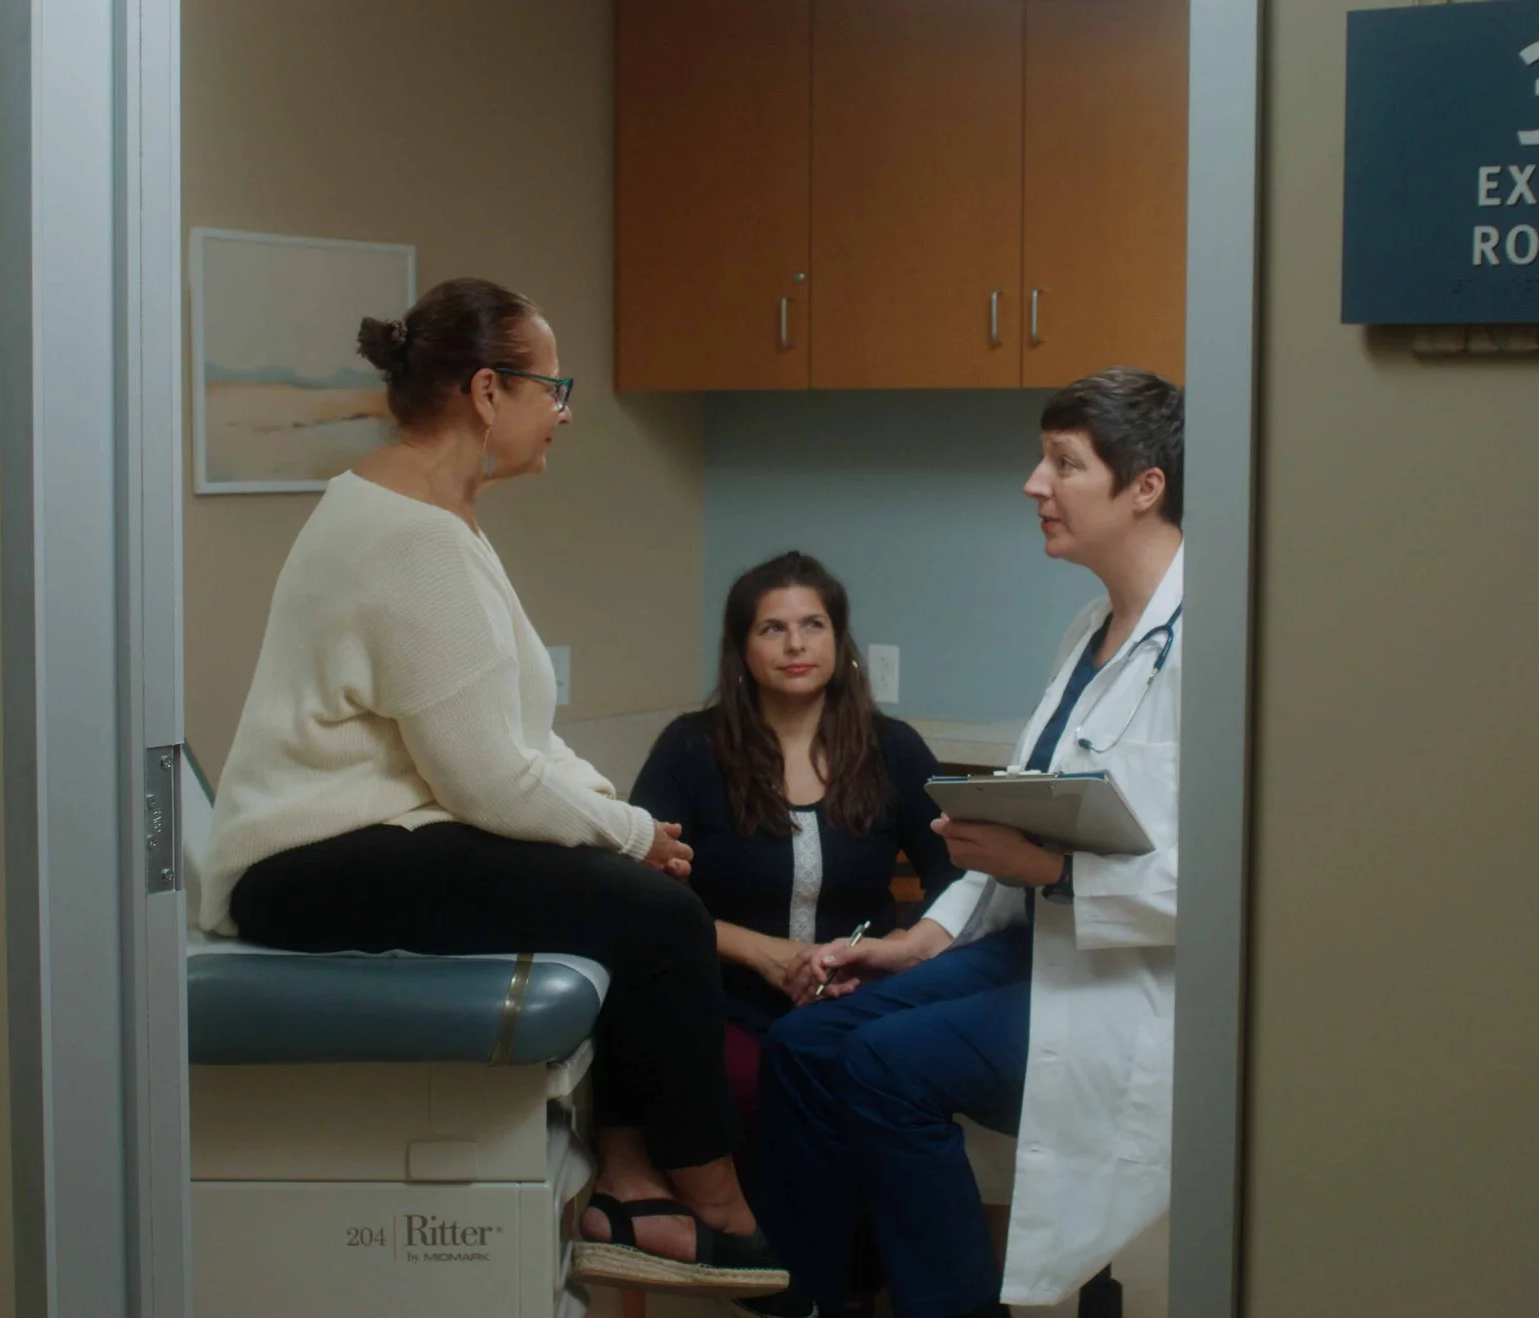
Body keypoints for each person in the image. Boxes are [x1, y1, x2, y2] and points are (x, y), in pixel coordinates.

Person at [197, 277, 803, 1310]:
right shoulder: (410, 538)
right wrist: (625, 836)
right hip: (303, 865)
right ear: (487, 390)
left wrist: (616, 819)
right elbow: (485, 776)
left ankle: (623, 1181)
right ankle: (714, 1202)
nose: (561, 412)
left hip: (365, 837)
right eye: (551, 386)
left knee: (632, 900)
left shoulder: (425, 515)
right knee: (656, 914)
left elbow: (518, 737)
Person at [754, 368, 1187, 1318]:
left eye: (1063, 464)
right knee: (803, 1043)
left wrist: (1058, 874)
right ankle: (816, 1300)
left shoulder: (1212, 641)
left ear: (1144, 485)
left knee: (882, 1066)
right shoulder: (1091, 632)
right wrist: (920, 941)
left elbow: (1226, 882)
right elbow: (1023, 832)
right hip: (1037, 949)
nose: (1036, 484)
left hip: (1136, 986)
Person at [628, 552, 962, 1183]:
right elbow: (641, 894)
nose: (795, 644)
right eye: (771, 629)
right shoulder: (690, 749)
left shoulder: (893, 748)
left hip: (864, 997)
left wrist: (897, 947)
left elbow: (959, 875)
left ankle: (859, 1274)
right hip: (724, 997)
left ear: (839, 640)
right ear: (741, 649)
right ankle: (754, 1263)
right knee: (750, 1086)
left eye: (813, 625)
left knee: (874, 1089)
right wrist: (765, 954)